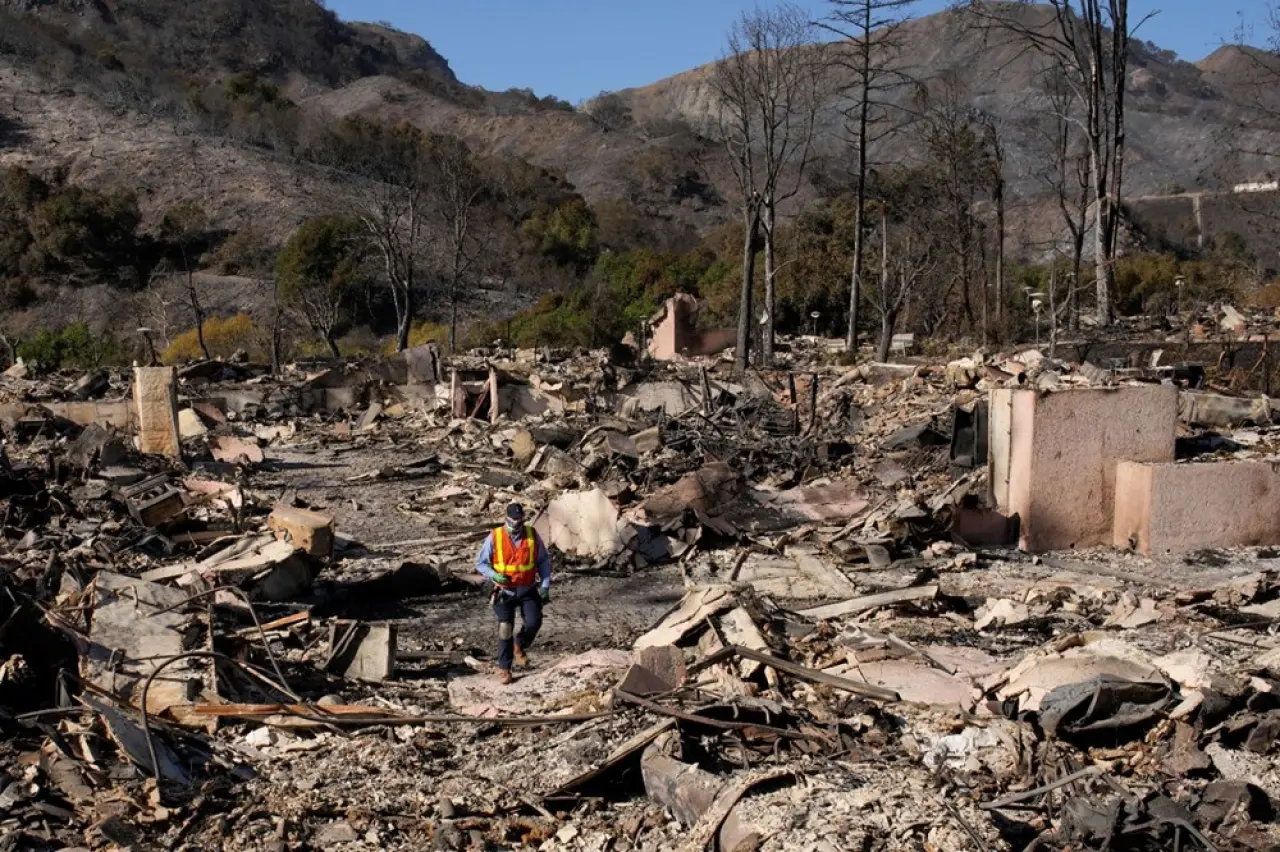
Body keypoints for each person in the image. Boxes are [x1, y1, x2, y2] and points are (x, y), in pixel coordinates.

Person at [474, 502, 551, 684]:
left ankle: (520, 644)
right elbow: (481, 563)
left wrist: (545, 585)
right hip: (504, 591)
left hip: (527, 588)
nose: (516, 525)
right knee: (505, 628)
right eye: (513, 521)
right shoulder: (495, 537)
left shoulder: (532, 536)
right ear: (506, 519)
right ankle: (504, 668)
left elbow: (543, 561)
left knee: (534, 622)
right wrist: (494, 575)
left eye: (519, 520)